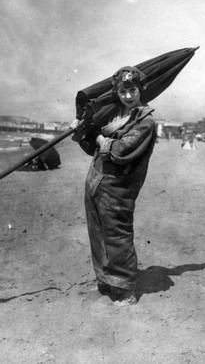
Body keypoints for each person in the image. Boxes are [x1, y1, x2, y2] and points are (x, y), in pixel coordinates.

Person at [70, 66, 157, 306]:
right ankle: (107, 282)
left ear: (140, 90)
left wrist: (98, 136)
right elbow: (93, 150)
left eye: (132, 90)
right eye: (123, 90)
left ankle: (127, 291)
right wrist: (82, 131)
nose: (128, 96)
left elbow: (119, 151)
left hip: (119, 190)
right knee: (97, 235)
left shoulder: (145, 121)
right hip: (97, 183)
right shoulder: (114, 117)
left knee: (118, 237)